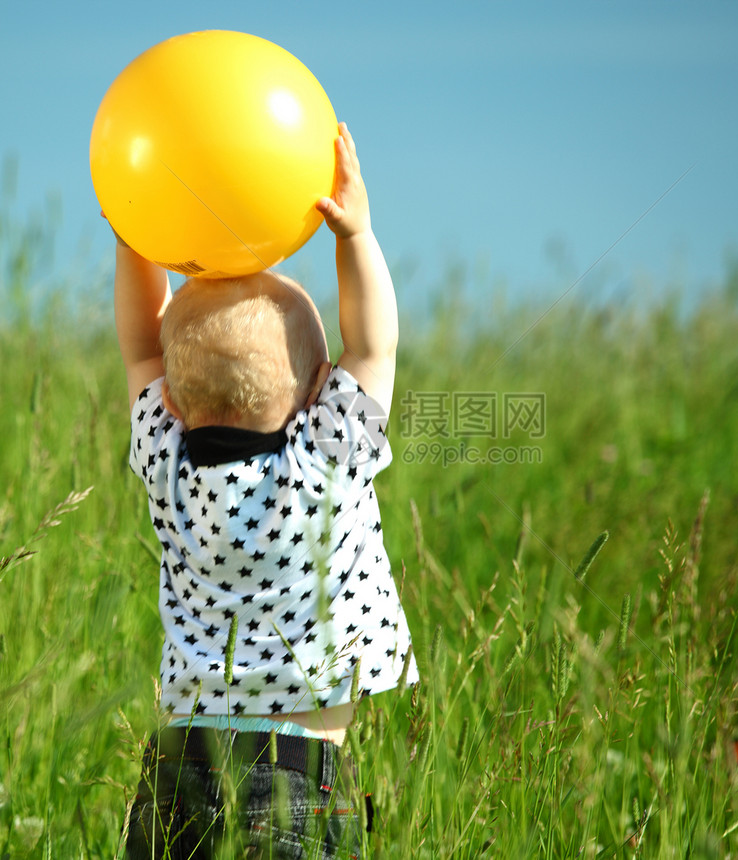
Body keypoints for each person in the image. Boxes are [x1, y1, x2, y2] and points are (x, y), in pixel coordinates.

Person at [114, 123, 419, 858]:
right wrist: (355, 235)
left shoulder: (166, 457)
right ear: (319, 391)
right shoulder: (326, 456)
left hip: (175, 773)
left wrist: (137, 234)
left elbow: (141, 345)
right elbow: (374, 346)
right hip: (291, 785)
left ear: (176, 403)